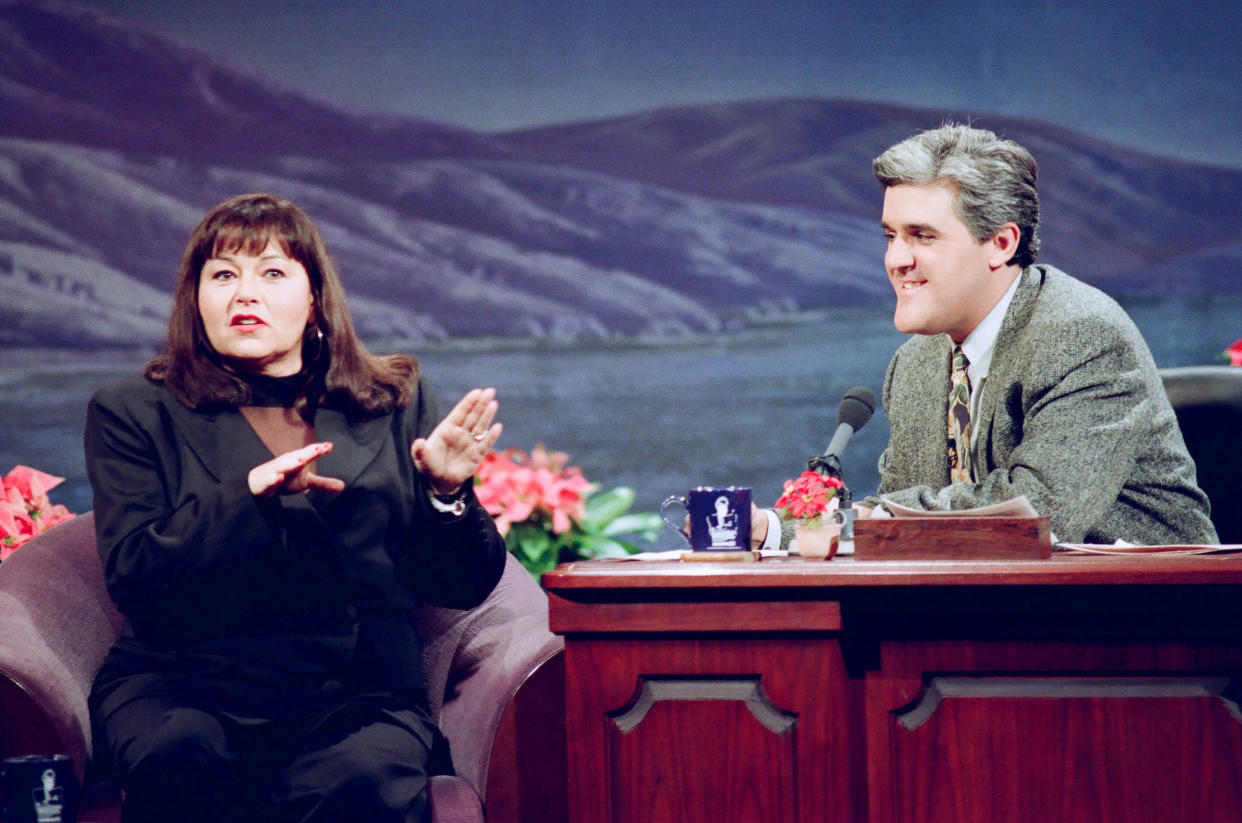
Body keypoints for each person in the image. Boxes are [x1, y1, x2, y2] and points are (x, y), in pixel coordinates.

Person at [84, 193, 507, 823]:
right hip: (186, 683)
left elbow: (458, 585)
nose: (243, 294)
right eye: (222, 275)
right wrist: (248, 497)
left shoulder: (390, 401)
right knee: (177, 757)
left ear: (315, 299)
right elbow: (134, 573)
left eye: (272, 273)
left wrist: (446, 493)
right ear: (195, 299)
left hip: (354, 694)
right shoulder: (134, 411)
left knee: (359, 782)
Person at [857, 123, 1215, 544]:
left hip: (1138, 598)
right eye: (890, 236)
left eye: (922, 236)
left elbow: (1037, 513)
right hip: (981, 593)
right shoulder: (915, 363)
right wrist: (777, 530)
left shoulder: (1083, 336)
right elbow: (895, 520)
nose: (896, 259)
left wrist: (875, 519)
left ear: (1001, 243)